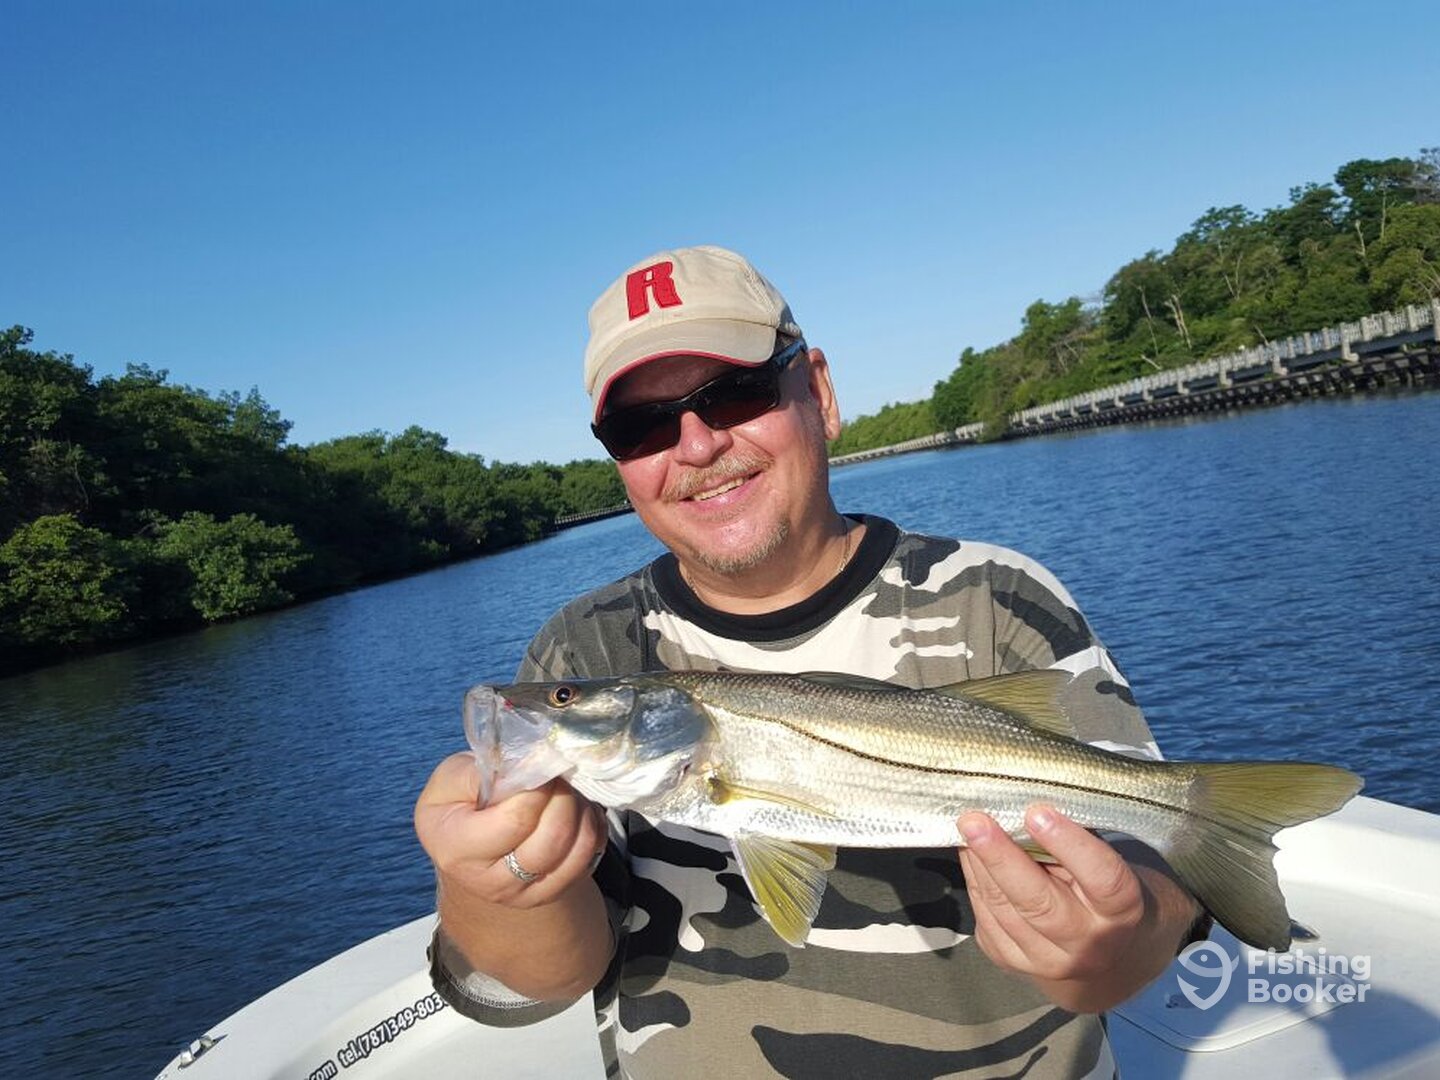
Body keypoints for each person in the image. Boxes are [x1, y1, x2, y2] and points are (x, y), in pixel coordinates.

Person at [415, 245, 1207, 1078]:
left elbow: (1159, 888)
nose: (695, 445)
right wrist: (492, 886)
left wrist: (1117, 941)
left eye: (734, 393)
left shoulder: (997, 596)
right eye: (640, 426)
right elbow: (532, 987)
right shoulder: (588, 646)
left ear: (819, 393)